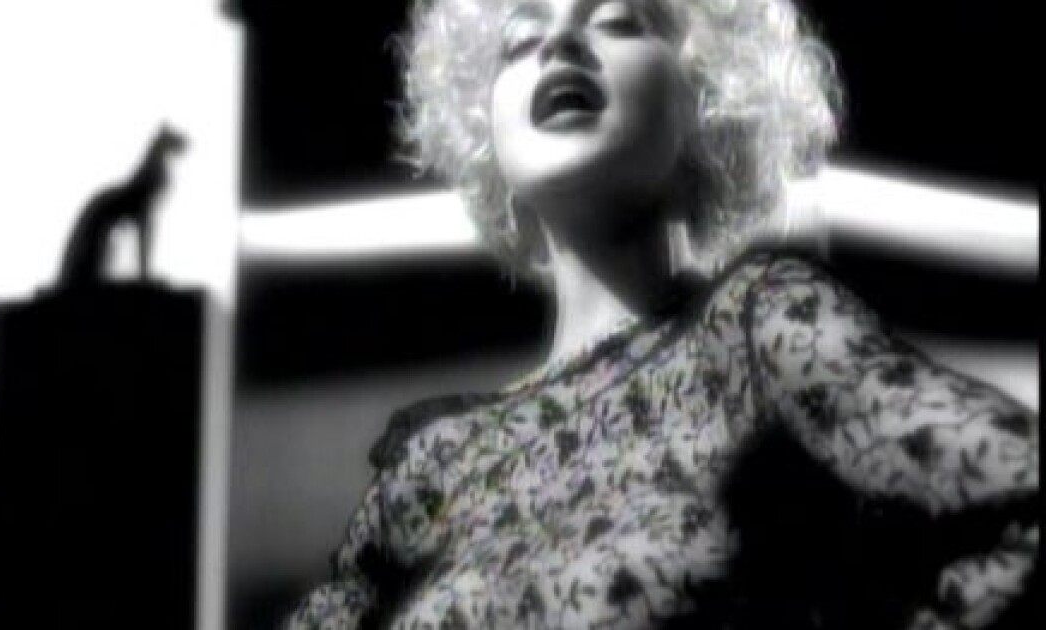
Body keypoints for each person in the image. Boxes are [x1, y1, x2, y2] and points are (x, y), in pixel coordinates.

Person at [283, 0, 1039, 628]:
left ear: (709, 98)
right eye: (520, 37)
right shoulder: (433, 463)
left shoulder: (757, 332)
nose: (559, 44)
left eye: (617, 21)